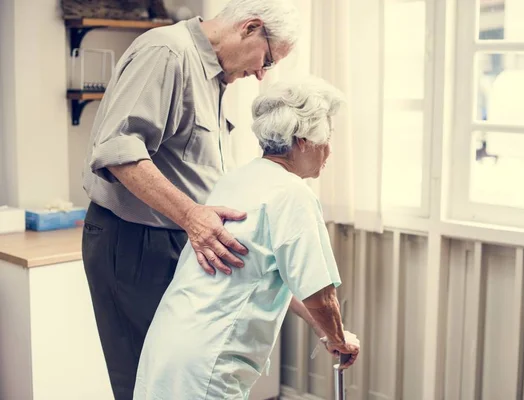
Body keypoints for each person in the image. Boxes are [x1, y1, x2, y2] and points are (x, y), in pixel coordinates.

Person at [80, 1, 300, 398]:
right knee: (148, 381)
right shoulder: (166, 52)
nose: (260, 74)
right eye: (266, 59)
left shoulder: (212, 74)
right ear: (250, 28)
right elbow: (117, 151)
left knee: (182, 380)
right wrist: (193, 216)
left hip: (178, 237)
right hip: (136, 241)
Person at [132, 77, 360, 399]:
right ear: (304, 140)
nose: (330, 150)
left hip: (168, 346)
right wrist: (339, 339)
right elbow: (321, 295)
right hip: (208, 362)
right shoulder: (293, 194)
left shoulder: (239, 179)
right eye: (328, 136)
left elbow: (272, 272)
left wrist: (325, 331)